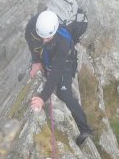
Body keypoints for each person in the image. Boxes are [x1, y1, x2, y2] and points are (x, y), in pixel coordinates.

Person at [24, 9, 94, 145]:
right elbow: (31, 41)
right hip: (49, 53)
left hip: (66, 60)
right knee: (40, 64)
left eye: (47, 38)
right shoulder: (33, 26)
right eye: (41, 36)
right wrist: (36, 61)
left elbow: (56, 72)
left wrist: (42, 98)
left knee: (63, 93)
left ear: (55, 31)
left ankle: (86, 129)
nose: (44, 40)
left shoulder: (63, 41)